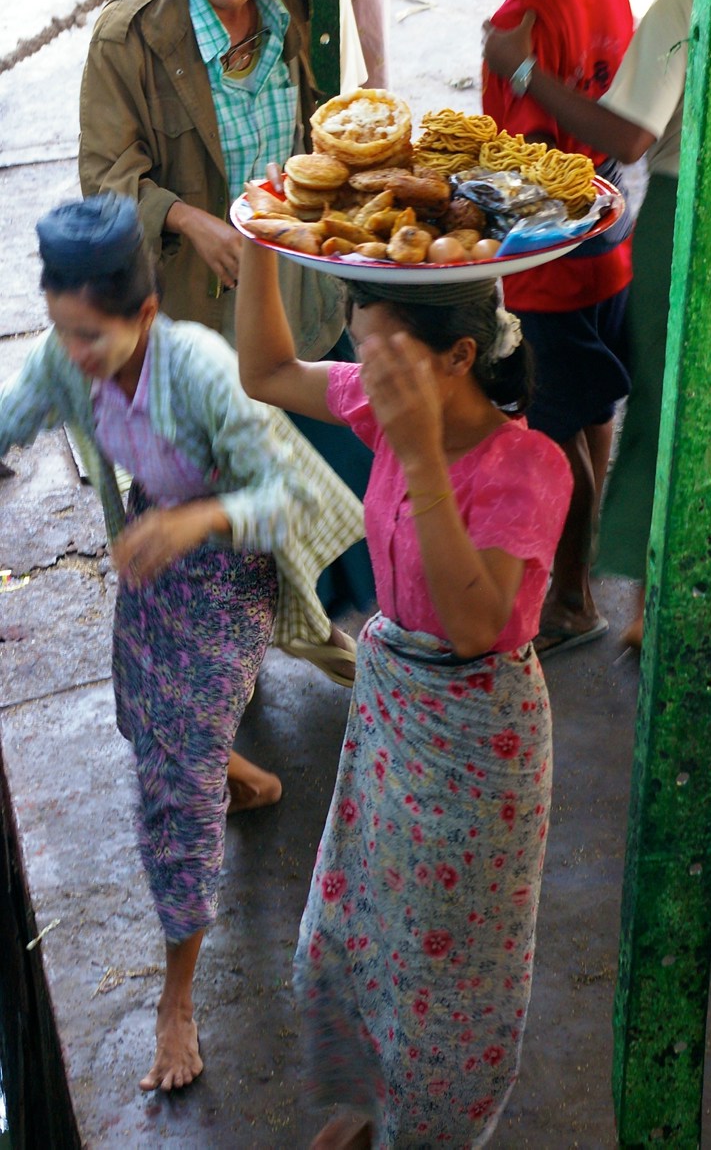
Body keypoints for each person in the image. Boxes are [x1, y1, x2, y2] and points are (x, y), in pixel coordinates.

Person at [0, 192, 364, 1092]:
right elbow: (15, 412)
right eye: (61, 332)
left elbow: (291, 501)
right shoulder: (66, 357)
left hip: (231, 558)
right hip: (153, 546)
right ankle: (245, 776)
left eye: (92, 336)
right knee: (140, 717)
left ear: (148, 315)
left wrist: (196, 520)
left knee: (174, 790)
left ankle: (175, 1000)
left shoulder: (200, 370)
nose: (73, 356)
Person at [235, 235, 573, 1147]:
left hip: (476, 740)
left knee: (445, 980)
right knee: (345, 933)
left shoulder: (529, 468)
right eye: (357, 346)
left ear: (459, 357)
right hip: (391, 711)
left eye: (381, 355)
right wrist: (257, 241)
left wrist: (421, 455)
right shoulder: (386, 408)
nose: (360, 371)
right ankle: (358, 1104)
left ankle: (419, 1130)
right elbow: (266, 370)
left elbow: (473, 624)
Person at [483, 0, 711, 673]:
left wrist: (522, 69)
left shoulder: (689, 6)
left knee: (668, 410)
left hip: (690, 219)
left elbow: (628, 135)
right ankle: (699, 617)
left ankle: (657, 615)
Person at [78, 0, 375, 620]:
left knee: (328, 481)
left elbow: (309, 130)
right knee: (212, 528)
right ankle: (229, 662)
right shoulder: (129, 39)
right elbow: (103, 179)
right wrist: (187, 219)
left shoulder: (290, 1)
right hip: (196, 314)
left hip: (294, 294)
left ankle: (306, 620)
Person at [482, 0, 635, 659]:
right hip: (609, 249)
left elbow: (520, 166)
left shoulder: (518, 21)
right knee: (592, 411)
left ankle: (571, 601)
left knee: (550, 430)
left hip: (548, 262)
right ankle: (583, 569)